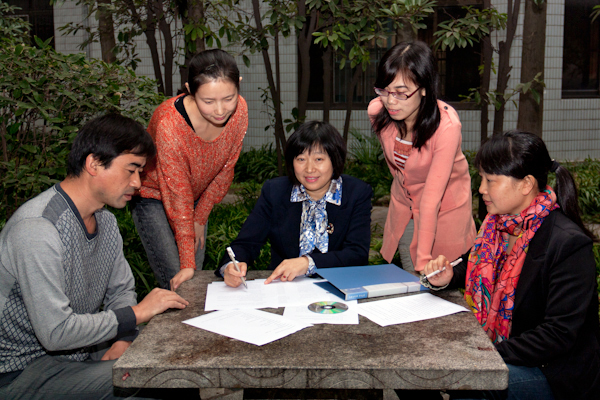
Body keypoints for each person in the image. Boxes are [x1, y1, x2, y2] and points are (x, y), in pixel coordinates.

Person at [0, 114, 189, 399]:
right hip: (22, 371)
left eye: (140, 172)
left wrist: (124, 338)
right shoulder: (38, 229)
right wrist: (137, 314)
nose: (137, 182)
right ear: (94, 164)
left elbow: (121, 291)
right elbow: (56, 332)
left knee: (178, 360)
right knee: (163, 378)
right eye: (131, 170)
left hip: (79, 355)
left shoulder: (106, 222)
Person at [422, 131, 600, 400]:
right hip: (505, 353)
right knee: (417, 369)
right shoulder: (497, 226)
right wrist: (447, 276)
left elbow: (558, 334)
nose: (481, 189)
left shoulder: (568, 244)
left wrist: (484, 354)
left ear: (526, 184)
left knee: (469, 384)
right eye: (482, 178)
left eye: (490, 180)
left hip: (552, 371)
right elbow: (471, 267)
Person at [132, 49, 248, 290]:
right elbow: (178, 193)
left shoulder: (240, 111)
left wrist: (200, 216)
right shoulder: (170, 124)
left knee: (195, 275)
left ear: (238, 85)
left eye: (229, 98)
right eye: (208, 101)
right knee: (180, 276)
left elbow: (227, 168)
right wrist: (186, 263)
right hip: (153, 195)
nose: (220, 110)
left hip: (196, 198)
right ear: (190, 90)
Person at [216, 121, 372, 287]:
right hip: (285, 288)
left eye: (319, 159)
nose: (309, 169)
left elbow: (357, 254)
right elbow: (246, 243)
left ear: (335, 160)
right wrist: (231, 266)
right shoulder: (275, 192)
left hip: (338, 288)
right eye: (301, 159)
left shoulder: (356, 193)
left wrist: (308, 263)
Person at [368, 41, 476, 272]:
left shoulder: (446, 127)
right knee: (411, 277)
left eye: (401, 93)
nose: (391, 101)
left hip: (445, 211)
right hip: (405, 206)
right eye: (384, 90)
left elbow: (431, 198)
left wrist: (424, 259)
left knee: (440, 279)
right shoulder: (378, 112)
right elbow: (398, 168)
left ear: (424, 88)